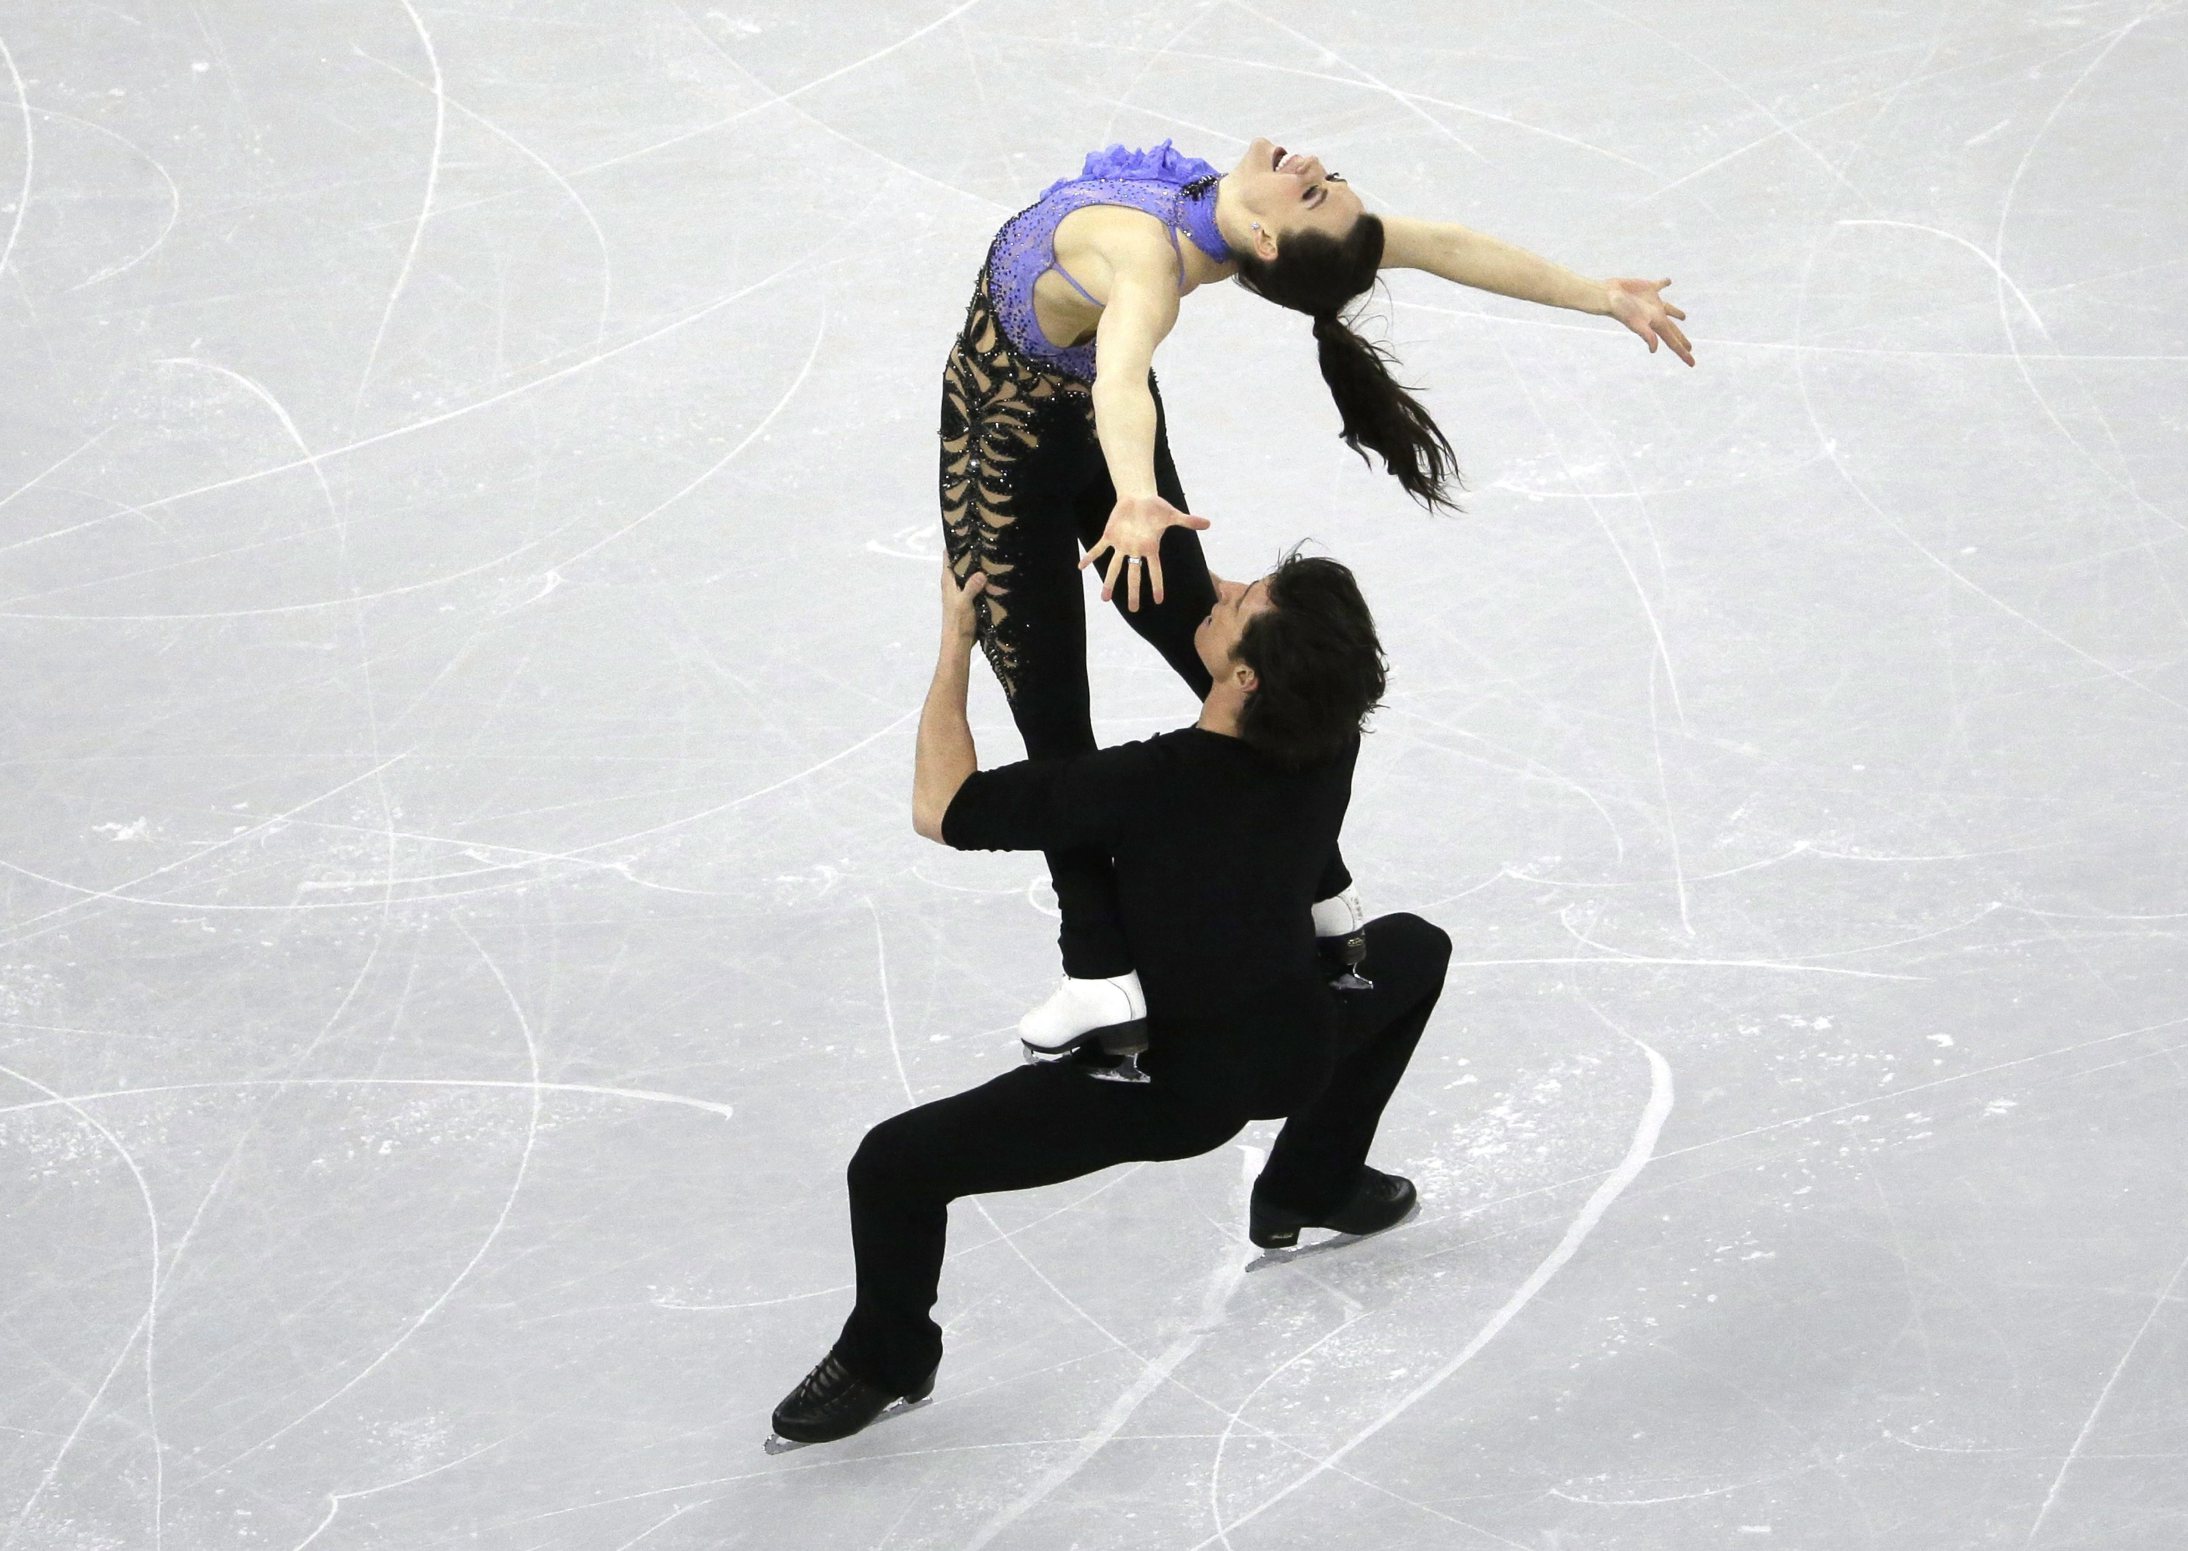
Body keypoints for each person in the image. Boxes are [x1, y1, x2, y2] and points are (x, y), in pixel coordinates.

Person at [943, 136, 1690, 1053]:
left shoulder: (1145, 253)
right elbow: (1445, 241)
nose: (1317, 171)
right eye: (1328, 185)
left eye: (1313, 195)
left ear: (1263, 238)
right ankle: (1325, 895)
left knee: (1058, 707)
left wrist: (1135, 491)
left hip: (1002, 454)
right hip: (1093, 431)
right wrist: (1599, 295)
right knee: (1193, 633)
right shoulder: (1227, 213)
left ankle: (1098, 973)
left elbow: (1124, 378)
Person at [769, 550, 1455, 1446]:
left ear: (1247, 674)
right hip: (1299, 1046)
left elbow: (942, 807)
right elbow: (1230, 618)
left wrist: (955, 643)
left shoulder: (1145, 787)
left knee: (893, 1164)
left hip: (1175, 1091)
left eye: (1241, 599)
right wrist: (1137, 509)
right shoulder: (1329, 740)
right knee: (1416, 952)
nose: (1224, 586)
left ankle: (887, 1353)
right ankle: (1313, 1178)